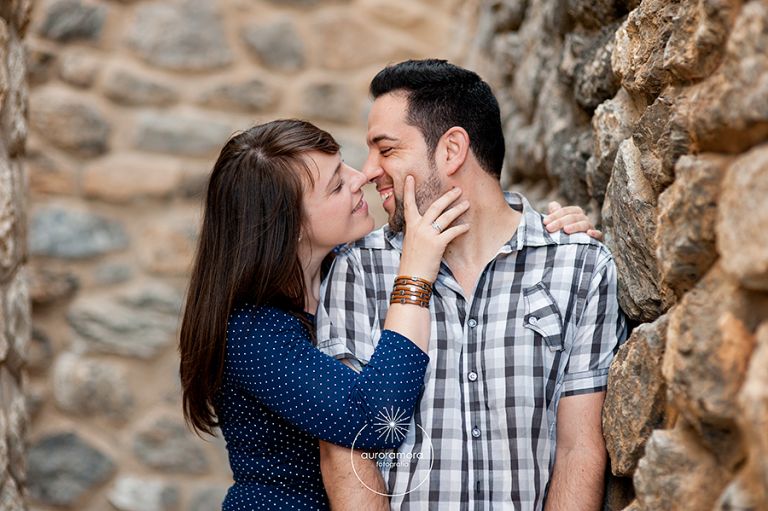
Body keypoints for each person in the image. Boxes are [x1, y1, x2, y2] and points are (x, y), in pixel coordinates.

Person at [316, 59, 627, 510]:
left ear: (452, 149)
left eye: (386, 149)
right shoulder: (358, 270)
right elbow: (346, 452)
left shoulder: (578, 266)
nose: (368, 171)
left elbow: (579, 449)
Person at [178, 119, 474, 510]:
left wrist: (554, 228)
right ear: (291, 227)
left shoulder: (346, 273)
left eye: (344, 165)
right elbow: (375, 418)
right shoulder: (252, 331)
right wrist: (415, 275)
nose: (360, 179)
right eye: (336, 185)